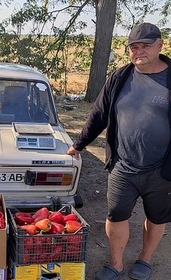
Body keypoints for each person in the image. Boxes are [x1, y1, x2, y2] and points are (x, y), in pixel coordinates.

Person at [67, 22, 171, 280]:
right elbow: (98, 114)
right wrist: (79, 144)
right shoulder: (120, 77)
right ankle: (115, 264)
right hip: (123, 166)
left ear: (160, 44)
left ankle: (144, 260)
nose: (139, 52)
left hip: (162, 169)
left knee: (156, 218)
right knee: (116, 215)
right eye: (133, 47)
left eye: (145, 46)